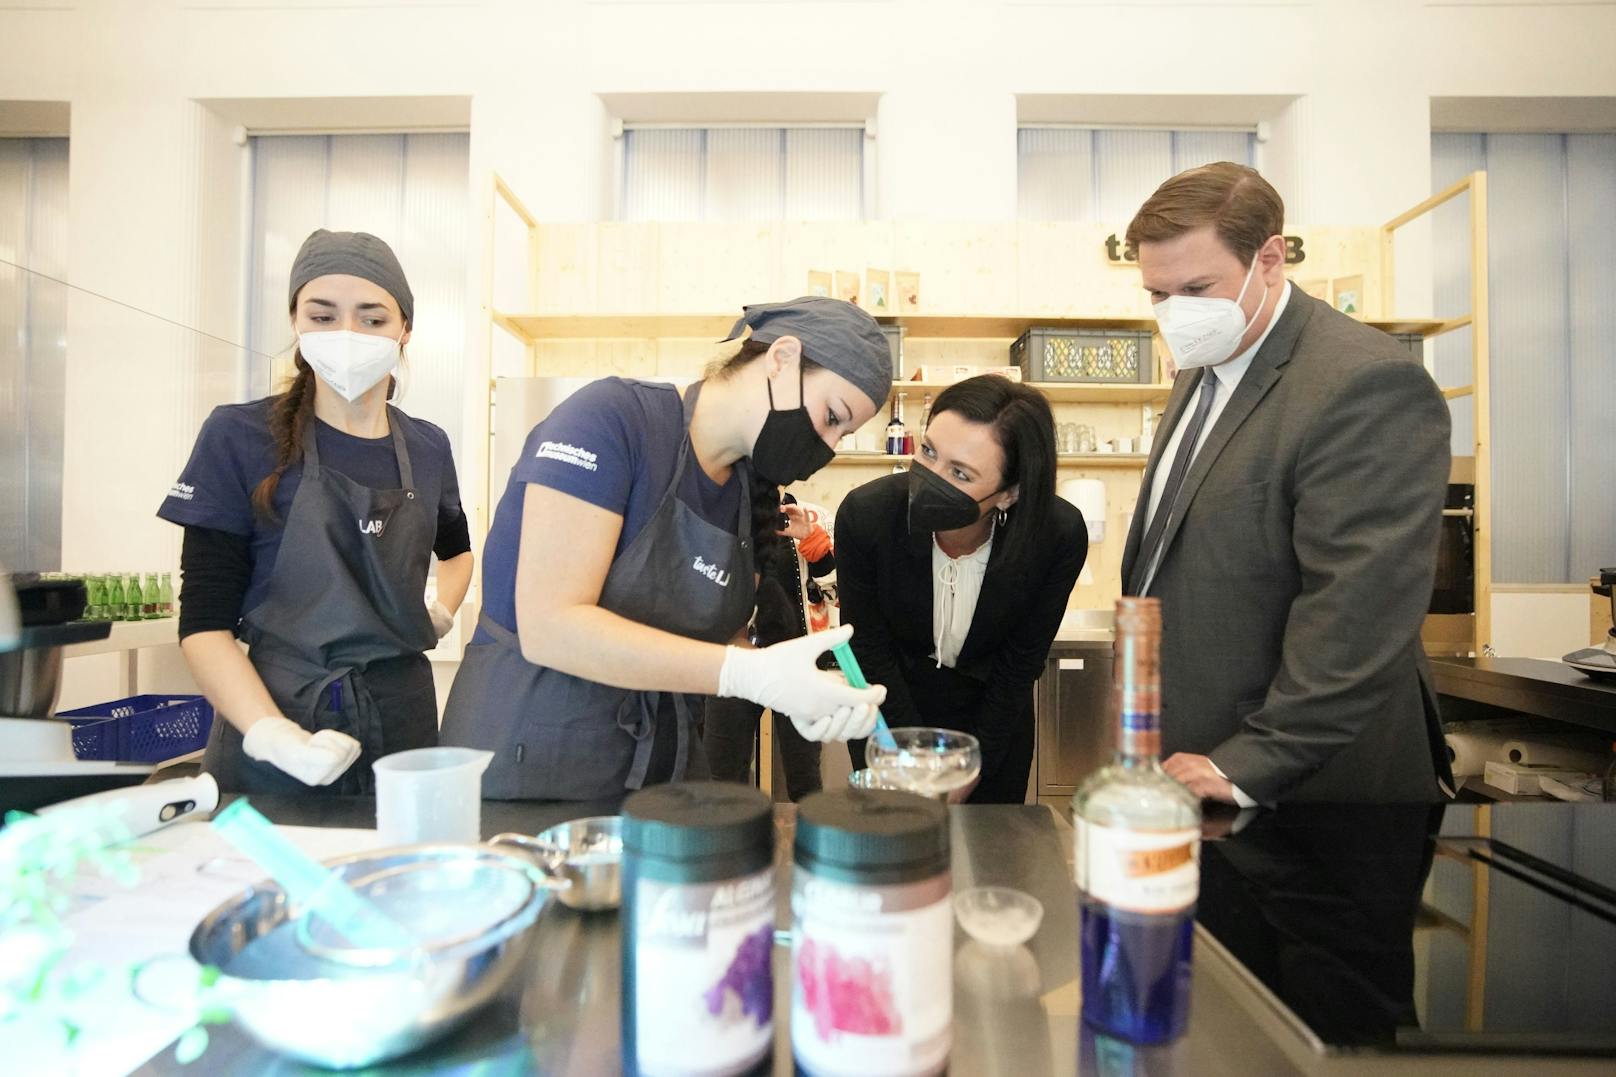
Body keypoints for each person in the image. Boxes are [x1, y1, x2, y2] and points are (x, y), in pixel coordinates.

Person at [441, 297, 891, 800]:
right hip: (532, 757)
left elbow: (716, 644)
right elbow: (551, 626)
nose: (826, 446)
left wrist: (799, 689)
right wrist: (748, 674)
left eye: (843, 435)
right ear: (781, 359)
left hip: (661, 769)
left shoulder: (749, 494)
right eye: (833, 416)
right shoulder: (612, 420)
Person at [1118, 162, 1453, 805]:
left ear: (1269, 258)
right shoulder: (1203, 366)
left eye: (1195, 287)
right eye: (1157, 295)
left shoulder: (1364, 383)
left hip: (1305, 780)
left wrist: (1248, 765)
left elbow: (1357, 610)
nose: (1175, 313)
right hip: (1199, 756)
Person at [158, 230, 472, 793]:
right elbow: (205, 626)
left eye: (371, 319)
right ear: (296, 323)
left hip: (403, 720)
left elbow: (458, 552)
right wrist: (273, 734)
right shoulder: (239, 436)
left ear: (405, 329)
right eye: (323, 316)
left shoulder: (427, 447)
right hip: (277, 713)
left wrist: (441, 612)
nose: (347, 335)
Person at [835, 375, 1088, 804]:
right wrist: (910, 760)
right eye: (929, 452)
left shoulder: (1055, 536)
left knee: (987, 858)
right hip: (890, 715)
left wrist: (973, 761)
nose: (930, 478)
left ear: (1009, 494)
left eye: (960, 473)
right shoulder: (868, 516)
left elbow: (1019, 664)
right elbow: (870, 649)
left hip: (992, 723)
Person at [702, 493, 837, 801]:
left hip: (799, 665)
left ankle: (808, 847)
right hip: (733, 662)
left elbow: (837, 597)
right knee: (722, 779)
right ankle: (730, 846)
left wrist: (816, 549)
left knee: (805, 781)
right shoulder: (719, 517)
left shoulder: (815, 517)